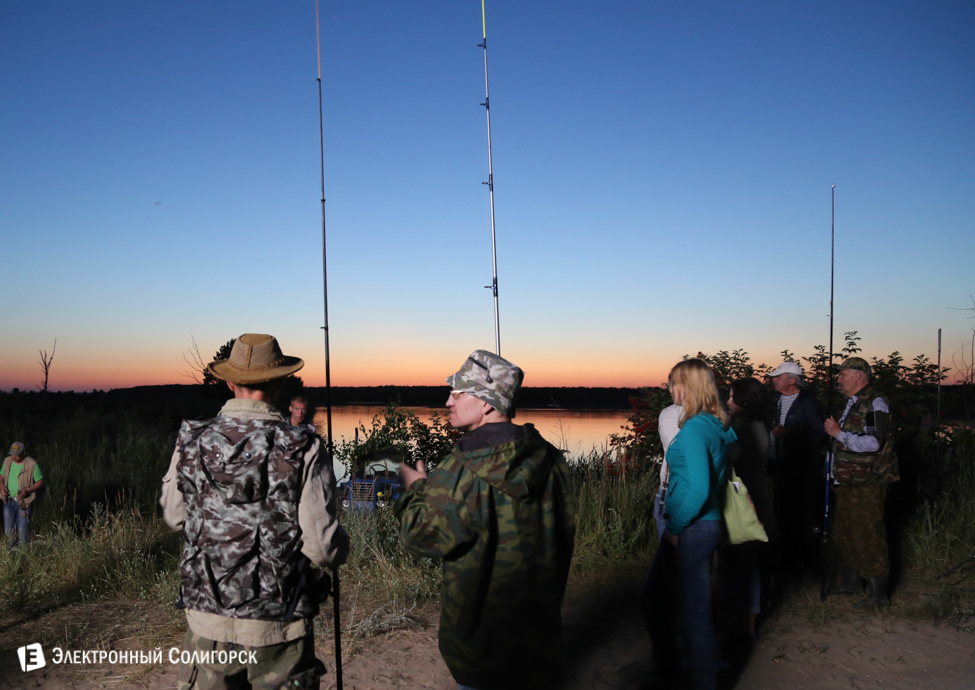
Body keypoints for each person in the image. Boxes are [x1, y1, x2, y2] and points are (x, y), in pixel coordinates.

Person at [160, 333, 349, 689]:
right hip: (277, 626)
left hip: (206, 622)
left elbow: (173, 516)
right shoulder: (304, 446)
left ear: (229, 381)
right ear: (281, 381)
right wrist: (343, 545)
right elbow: (322, 550)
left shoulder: (191, 439)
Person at [395, 350, 575, 690]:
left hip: (481, 649)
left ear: (487, 403)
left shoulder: (459, 469)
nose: (448, 401)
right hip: (538, 643)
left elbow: (420, 538)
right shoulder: (551, 458)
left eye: (458, 392)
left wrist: (416, 489)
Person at [642, 359, 736, 690]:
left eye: (673, 383)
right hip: (706, 522)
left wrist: (675, 528)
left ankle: (697, 678)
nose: (669, 389)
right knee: (674, 601)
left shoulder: (695, 428)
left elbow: (697, 486)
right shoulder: (716, 422)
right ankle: (681, 668)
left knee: (692, 611)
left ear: (688, 386)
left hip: (691, 527)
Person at [824, 357, 899, 609]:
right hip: (848, 482)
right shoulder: (852, 403)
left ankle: (878, 597)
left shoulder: (876, 402)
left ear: (857, 375)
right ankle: (851, 582)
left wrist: (838, 433)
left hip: (868, 483)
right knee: (845, 532)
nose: (839, 378)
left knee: (869, 536)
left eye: (842, 373)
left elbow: (873, 443)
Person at [720, 378, 778, 639]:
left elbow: (723, 456)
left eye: (731, 397)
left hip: (743, 504)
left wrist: (723, 424)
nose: (728, 402)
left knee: (733, 567)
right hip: (758, 500)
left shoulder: (747, 430)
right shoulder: (761, 425)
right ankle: (750, 625)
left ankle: (734, 624)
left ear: (744, 401)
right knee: (750, 566)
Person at [766, 361, 825, 574]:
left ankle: (805, 563)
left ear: (791, 380)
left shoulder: (808, 403)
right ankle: (785, 559)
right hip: (779, 467)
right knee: (781, 513)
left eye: (778, 377)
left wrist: (788, 434)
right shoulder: (776, 400)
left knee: (800, 515)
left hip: (800, 471)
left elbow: (819, 435)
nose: (773, 380)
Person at [1, 442, 44, 548]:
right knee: (8, 529)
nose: (14, 457)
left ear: (24, 453)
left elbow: (40, 481)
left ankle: (24, 552)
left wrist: (28, 490)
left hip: (23, 502)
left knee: (22, 528)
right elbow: (1, 477)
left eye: (17, 454)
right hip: (8, 500)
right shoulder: (7, 461)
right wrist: (1, 487)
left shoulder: (32, 464)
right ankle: (12, 552)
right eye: (13, 454)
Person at [654, 403, 684, 541]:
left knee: (667, 555)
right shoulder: (709, 415)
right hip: (682, 492)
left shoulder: (666, 413)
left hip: (666, 489)